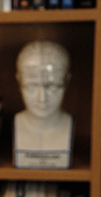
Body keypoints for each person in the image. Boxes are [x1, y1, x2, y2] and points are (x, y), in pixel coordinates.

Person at [14, 40, 74, 168]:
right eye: (31, 86)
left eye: (53, 86)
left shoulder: (70, 122)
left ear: (66, 81)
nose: (42, 98)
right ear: (19, 81)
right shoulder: (16, 122)